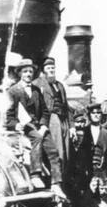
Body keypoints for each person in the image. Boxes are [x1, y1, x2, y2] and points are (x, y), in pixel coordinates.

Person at [5, 58, 66, 198]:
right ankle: (35, 174)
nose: (28, 74)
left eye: (30, 72)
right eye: (25, 71)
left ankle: (56, 184)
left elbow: (45, 111)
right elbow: (9, 115)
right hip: (24, 125)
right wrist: (16, 124)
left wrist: (44, 126)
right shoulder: (13, 91)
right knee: (37, 137)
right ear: (20, 73)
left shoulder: (37, 90)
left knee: (53, 151)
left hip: (39, 125)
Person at [33, 57, 70, 167]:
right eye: (48, 68)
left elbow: (66, 106)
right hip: (51, 119)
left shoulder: (60, 85)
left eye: (53, 67)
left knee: (66, 150)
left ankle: (63, 177)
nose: (51, 70)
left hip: (64, 120)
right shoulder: (37, 84)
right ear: (43, 70)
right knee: (56, 150)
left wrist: (71, 126)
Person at [65, 114, 94, 207]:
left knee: (85, 197)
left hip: (83, 171)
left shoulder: (86, 135)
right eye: (78, 122)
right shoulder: (69, 137)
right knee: (73, 197)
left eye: (82, 122)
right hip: (71, 173)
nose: (80, 125)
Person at [86, 102, 107, 184]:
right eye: (93, 113)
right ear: (89, 115)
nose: (96, 115)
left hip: (102, 171)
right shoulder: (84, 131)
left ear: (101, 115)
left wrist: (106, 163)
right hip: (87, 170)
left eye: (98, 113)